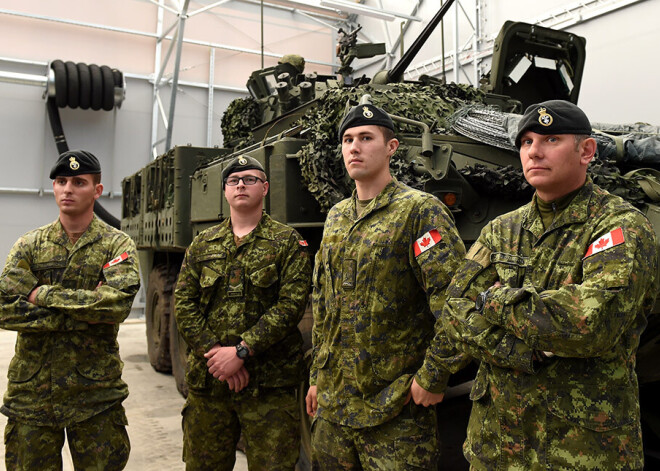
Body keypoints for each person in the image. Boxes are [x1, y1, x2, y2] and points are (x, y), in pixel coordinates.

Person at [442, 100, 659, 469]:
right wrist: (525, 351)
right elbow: (453, 312)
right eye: (526, 142)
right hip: (496, 446)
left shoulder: (620, 226)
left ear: (586, 151)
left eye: (551, 138)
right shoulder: (501, 229)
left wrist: (492, 300)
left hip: (581, 449)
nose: (534, 151)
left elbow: (587, 325)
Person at [306, 102, 467, 469]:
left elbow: (456, 299)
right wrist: (317, 377)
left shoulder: (419, 211)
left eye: (366, 138)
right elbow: (325, 304)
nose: (354, 148)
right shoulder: (336, 217)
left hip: (394, 409)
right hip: (333, 408)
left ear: (391, 147)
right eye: (347, 140)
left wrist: (434, 374)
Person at [0, 149, 141, 470]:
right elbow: (4, 307)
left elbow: (116, 304)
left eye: (79, 182)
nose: (67, 189)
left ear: (97, 190)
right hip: (32, 394)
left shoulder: (116, 245)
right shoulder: (30, 245)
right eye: (61, 181)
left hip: (95, 394)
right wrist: (85, 313)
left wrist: (40, 293)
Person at [174, 155, 312, 470]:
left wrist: (241, 351)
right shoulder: (202, 244)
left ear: (265, 187)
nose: (241, 185)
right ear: (224, 191)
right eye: (234, 180)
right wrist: (216, 354)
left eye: (249, 179)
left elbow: (291, 305)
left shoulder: (288, 243)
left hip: (269, 384)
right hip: (211, 383)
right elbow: (184, 302)